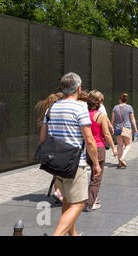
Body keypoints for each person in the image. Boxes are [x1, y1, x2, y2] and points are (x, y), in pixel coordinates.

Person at [39, 72, 101, 236]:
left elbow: (42, 138)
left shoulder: (51, 107)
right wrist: (95, 163)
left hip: (56, 164)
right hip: (74, 164)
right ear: (78, 88)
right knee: (78, 204)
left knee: (67, 201)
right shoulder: (80, 108)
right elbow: (89, 140)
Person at [84, 90, 116, 212]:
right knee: (96, 177)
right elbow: (107, 134)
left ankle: (93, 197)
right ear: (99, 102)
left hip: (87, 148)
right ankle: (90, 203)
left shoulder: (84, 114)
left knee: (91, 173)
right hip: (99, 147)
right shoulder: (100, 116)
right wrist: (113, 147)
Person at [111, 93, 138, 167]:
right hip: (126, 128)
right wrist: (135, 128)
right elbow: (132, 119)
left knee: (119, 145)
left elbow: (112, 119)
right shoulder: (129, 107)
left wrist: (112, 127)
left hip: (117, 128)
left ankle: (119, 163)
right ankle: (122, 158)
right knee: (128, 144)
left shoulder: (115, 108)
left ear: (120, 100)